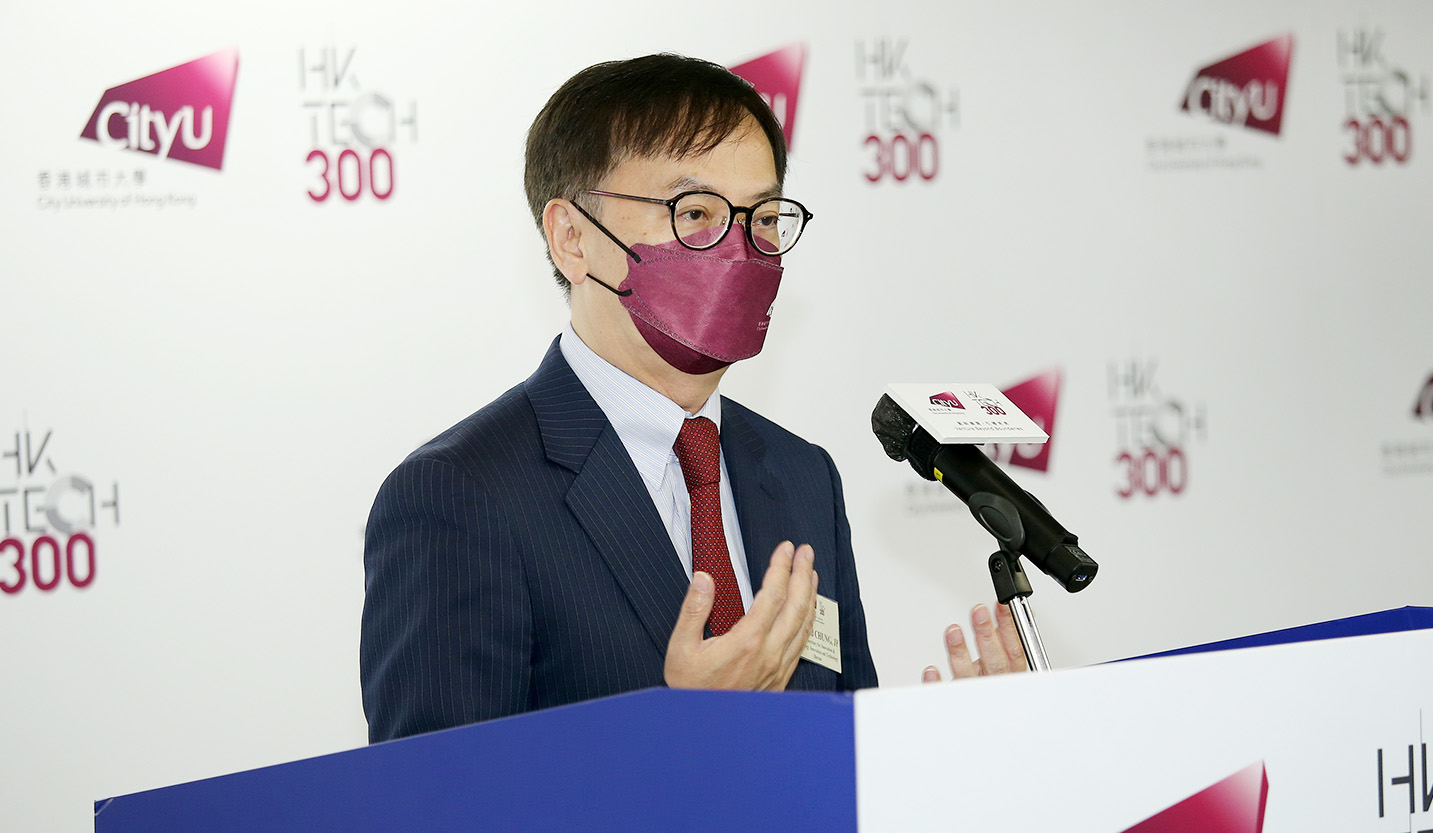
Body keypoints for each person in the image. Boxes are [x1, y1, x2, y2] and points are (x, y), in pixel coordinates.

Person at [361, 54, 1019, 743]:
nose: (739, 250)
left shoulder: (802, 476)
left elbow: (836, 763)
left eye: (763, 217)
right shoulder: (458, 495)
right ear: (572, 238)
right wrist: (685, 734)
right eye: (695, 212)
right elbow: (439, 821)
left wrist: (960, 746)